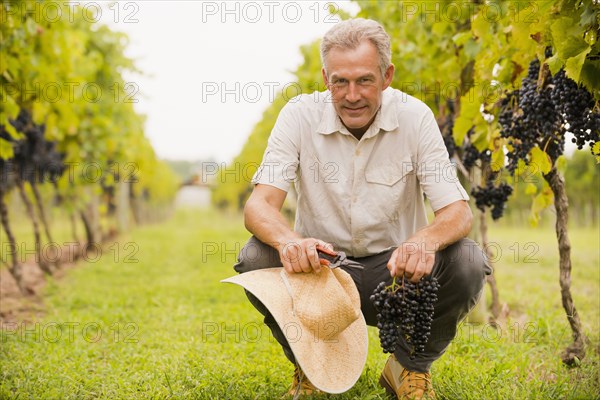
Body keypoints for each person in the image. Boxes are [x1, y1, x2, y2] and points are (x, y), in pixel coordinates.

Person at [233, 18, 491, 400]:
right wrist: (290, 242)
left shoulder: (415, 117)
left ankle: (407, 367)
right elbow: (259, 206)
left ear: (386, 76)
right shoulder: (298, 116)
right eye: (340, 81)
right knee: (255, 255)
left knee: (468, 260)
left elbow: (458, 212)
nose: (352, 94)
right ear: (325, 78)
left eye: (364, 80)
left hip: (396, 277)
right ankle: (311, 369)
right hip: (319, 274)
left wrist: (423, 242)